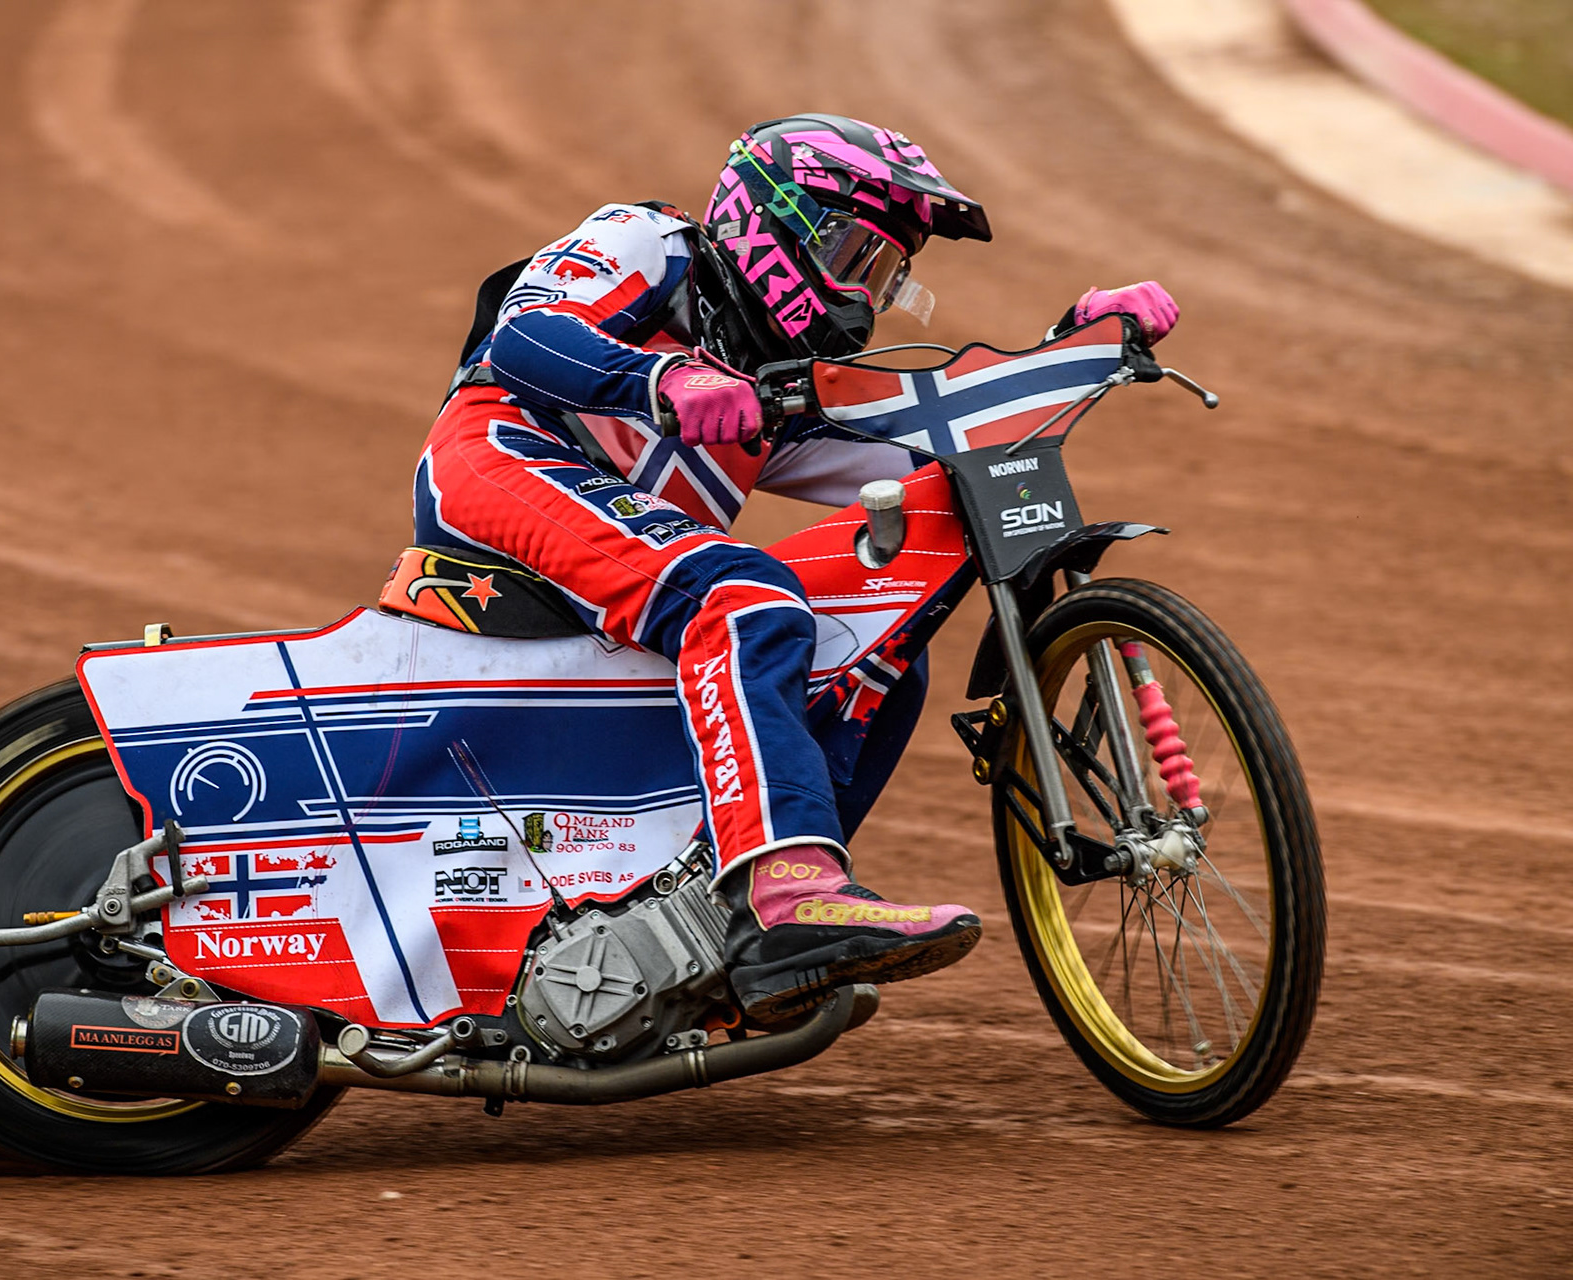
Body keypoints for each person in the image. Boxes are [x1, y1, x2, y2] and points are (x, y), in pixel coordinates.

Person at [413, 113, 1179, 1022]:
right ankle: (784, 894)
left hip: (618, 555)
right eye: (854, 257)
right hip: (503, 459)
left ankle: (736, 931)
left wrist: (1068, 350)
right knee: (744, 597)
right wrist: (663, 381)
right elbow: (524, 338)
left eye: (887, 275)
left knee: (876, 644)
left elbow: (930, 452)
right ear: (772, 221)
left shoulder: (772, 382)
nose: (866, 294)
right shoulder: (651, 241)